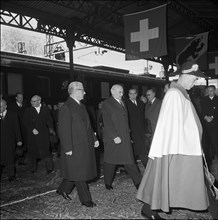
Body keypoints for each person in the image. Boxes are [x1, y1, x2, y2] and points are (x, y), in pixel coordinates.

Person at [136, 61, 209, 219]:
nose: (195, 82)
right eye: (194, 79)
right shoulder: (174, 94)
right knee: (163, 178)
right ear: (186, 75)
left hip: (179, 146)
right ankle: (149, 209)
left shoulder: (181, 93)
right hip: (173, 147)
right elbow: (169, 126)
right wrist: (169, 150)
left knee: (165, 180)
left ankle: (149, 209)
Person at [56, 81, 99, 208]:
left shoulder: (81, 106)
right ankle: (86, 200)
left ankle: (62, 189)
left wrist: (94, 138)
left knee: (76, 170)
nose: (84, 92)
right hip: (74, 146)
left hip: (84, 145)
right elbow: (63, 130)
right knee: (80, 173)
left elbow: (88, 126)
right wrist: (68, 148)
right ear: (74, 91)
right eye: (82, 90)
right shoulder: (66, 107)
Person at [102, 84, 142, 190]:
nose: (122, 94)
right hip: (114, 138)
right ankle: (108, 182)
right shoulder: (107, 103)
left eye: (122, 92)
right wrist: (114, 136)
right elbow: (107, 122)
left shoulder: (122, 102)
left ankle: (138, 182)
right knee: (111, 161)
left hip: (125, 137)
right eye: (119, 92)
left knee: (129, 159)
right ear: (112, 92)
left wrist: (129, 135)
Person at [23, 95, 55, 174]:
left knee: (45, 150)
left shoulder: (45, 109)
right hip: (32, 134)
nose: (32, 103)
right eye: (31, 101)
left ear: (39, 101)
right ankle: (32, 168)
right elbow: (25, 122)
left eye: (34, 101)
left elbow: (49, 120)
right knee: (32, 151)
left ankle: (50, 168)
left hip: (43, 133)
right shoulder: (28, 110)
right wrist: (32, 129)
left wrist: (51, 129)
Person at [125, 88, 148, 167]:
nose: (132, 95)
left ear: (137, 94)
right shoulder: (125, 104)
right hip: (132, 132)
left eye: (134, 93)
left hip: (141, 131)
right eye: (130, 94)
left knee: (141, 150)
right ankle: (131, 168)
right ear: (128, 94)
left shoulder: (141, 103)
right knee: (135, 152)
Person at [0, 99, 22, 181]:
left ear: (5, 106)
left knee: (10, 159)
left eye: (1, 106)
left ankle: (11, 176)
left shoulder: (13, 115)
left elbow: (17, 128)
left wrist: (19, 139)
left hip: (10, 141)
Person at [201, 85, 218, 164]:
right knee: (207, 140)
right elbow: (202, 110)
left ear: (214, 90)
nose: (209, 92)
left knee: (215, 139)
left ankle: (215, 154)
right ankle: (209, 156)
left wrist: (212, 117)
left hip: (215, 123)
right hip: (206, 123)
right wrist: (205, 117)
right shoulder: (204, 100)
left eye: (211, 90)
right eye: (208, 91)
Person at [8, 92, 27, 165]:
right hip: (14, 128)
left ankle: (21, 160)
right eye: (19, 97)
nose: (21, 99)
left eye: (22, 97)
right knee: (15, 145)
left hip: (23, 128)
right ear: (16, 98)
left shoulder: (25, 106)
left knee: (23, 144)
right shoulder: (11, 106)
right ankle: (12, 161)